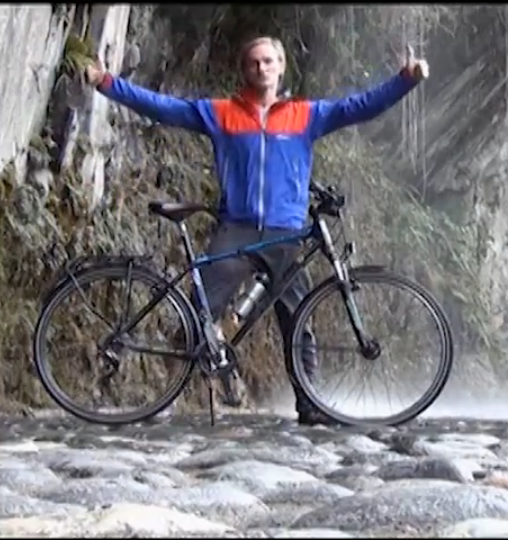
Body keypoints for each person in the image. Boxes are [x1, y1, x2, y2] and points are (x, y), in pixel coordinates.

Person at [85, 35, 429, 425]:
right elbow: (164, 108)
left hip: (286, 231)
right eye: (254, 62)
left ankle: (310, 405)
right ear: (245, 70)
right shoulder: (221, 113)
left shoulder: (306, 114)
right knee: (199, 311)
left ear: (281, 67)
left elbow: (360, 107)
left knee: (298, 319)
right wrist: (106, 83)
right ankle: (167, 397)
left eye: (268, 61)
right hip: (237, 227)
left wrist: (406, 80)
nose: (261, 67)